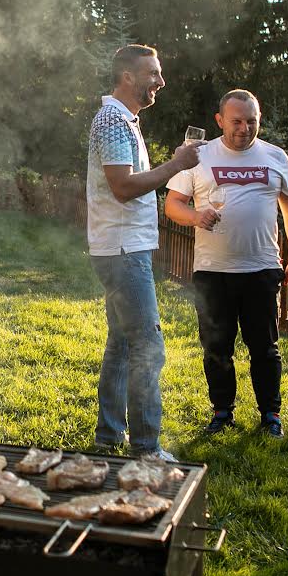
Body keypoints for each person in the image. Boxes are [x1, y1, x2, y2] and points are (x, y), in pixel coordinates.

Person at [164, 90, 288, 438]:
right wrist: (196, 216)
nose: (244, 128)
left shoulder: (275, 156)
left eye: (251, 121)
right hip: (212, 271)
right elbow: (172, 205)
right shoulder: (197, 156)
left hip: (262, 268)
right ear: (219, 121)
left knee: (264, 347)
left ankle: (270, 415)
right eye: (237, 121)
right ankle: (222, 412)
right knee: (216, 347)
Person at [86, 44, 202, 461]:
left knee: (121, 343)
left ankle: (108, 436)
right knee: (148, 346)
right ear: (128, 76)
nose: (160, 81)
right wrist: (176, 165)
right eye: (153, 73)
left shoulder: (124, 120)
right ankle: (146, 448)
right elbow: (123, 187)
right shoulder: (114, 121)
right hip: (122, 249)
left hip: (120, 247)